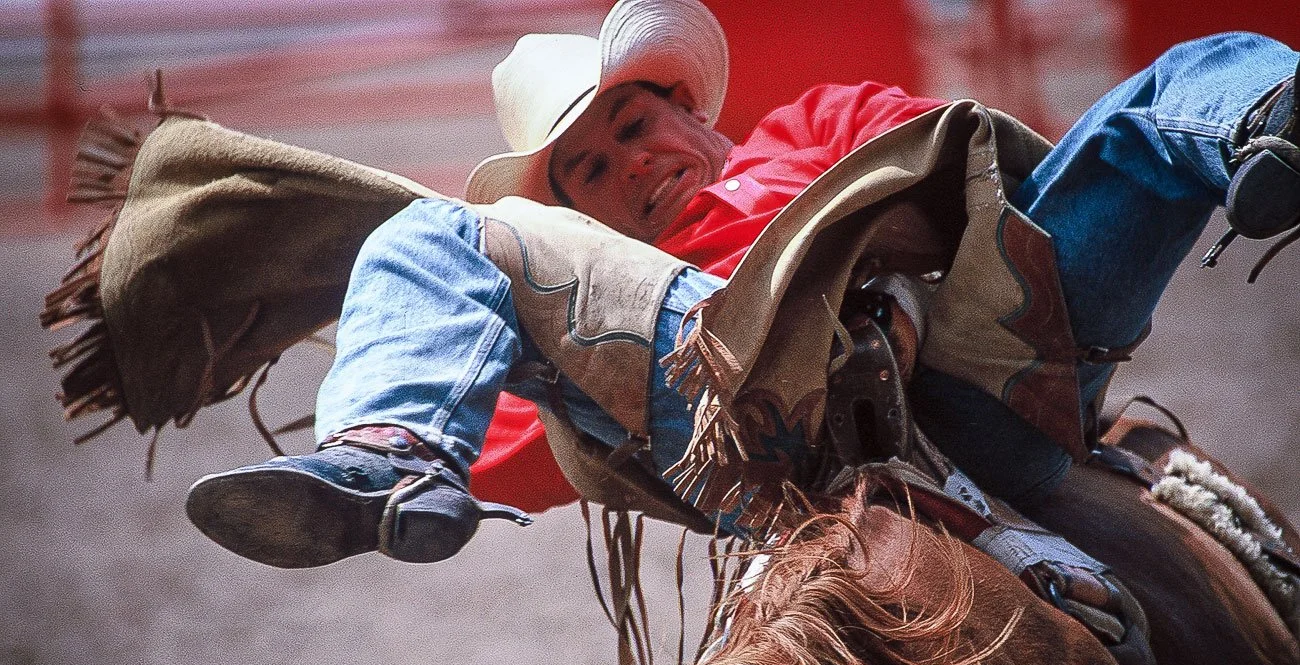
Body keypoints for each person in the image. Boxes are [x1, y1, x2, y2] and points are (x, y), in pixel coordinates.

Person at [185, 0, 1300, 568]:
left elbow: (955, 180)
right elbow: (520, 427)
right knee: (444, 237)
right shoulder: (611, 293)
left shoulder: (811, 127)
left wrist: (890, 298)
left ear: (689, 110)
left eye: (633, 124)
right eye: (589, 169)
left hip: (992, 351)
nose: (629, 163)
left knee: (1198, 70)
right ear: (577, 211)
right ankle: (388, 461)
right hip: (761, 428)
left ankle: (1269, 127)